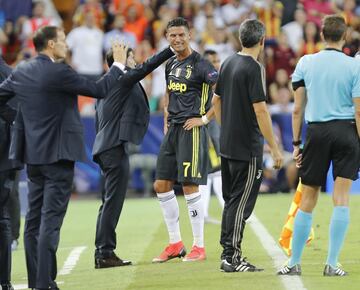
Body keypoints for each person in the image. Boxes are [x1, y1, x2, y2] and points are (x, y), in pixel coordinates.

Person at [0, 25, 128, 290]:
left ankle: (38, 281)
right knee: (50, 221)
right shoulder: (59, 71)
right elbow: (100, 88)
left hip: (33, 158)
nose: (66, 45)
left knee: (33, 220)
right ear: (49, 45)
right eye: (61, 41)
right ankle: (46, 283)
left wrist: (21, 122)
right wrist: (117, 65)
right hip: (58, 157)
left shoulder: (21, 71)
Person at [277, 15, 360, 277]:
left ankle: (293, 263)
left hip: (316, 131)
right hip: (346, 131)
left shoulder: (306, 62)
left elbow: (297, 109)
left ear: (322, 35)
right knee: (342, 198)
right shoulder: (354, 65)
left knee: (308, 198)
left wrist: (296, 143)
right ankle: (332, 264)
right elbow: (359, 110)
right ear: (345, 36)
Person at [92, 45, 174, 269]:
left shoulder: (106, 83)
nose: (135, 60)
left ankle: (102, 251)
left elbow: (100, 120)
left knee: (107, 202)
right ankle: (105, 253)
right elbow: (148, 66)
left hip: (104, 148)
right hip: (113, 148)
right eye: (130, 56)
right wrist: (170, 49)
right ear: (119, 60)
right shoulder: (121, 78)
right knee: (112, 202)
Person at [212, 19, 283, 272]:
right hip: (247, 146)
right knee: (241, 203)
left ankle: (227, 253)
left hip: (228, 144)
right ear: (262, 41)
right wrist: (274, 148)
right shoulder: (255, 68)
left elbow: (216, 100)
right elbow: (261, 110)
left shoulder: (228, 61)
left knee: (232, 200)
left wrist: (225, 128)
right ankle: (232, 256)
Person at [152, 17, 218, 263]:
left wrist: (205, 119)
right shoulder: (169, 64)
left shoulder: (202, 64)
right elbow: (169, 91)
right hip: (174, 130)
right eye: (173, 36)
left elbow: (221, 89)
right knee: (161, 184)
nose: (177, 39)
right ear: (167, 38)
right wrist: (167, 113)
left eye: (181, 35)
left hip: (192, 128)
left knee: (189, 185)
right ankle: (175, 243)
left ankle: (199, 247)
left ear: (190, 35)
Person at [0, 57, 22, 290]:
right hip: (7, 154)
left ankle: (4, 281)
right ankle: (4, 282)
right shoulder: (8, 70)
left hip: (3, 154)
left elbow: (13, 110)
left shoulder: (5, 71)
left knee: (2, 216)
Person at [199, 50, 224, 224]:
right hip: (209, 134)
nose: (216, 64)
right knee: (213, 173)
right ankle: (204, 213)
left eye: (217, 60)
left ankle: (206, 212)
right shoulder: (203, 86)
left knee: (215, 173)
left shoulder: (219, 82)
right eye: (212, 61)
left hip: (219, 133)